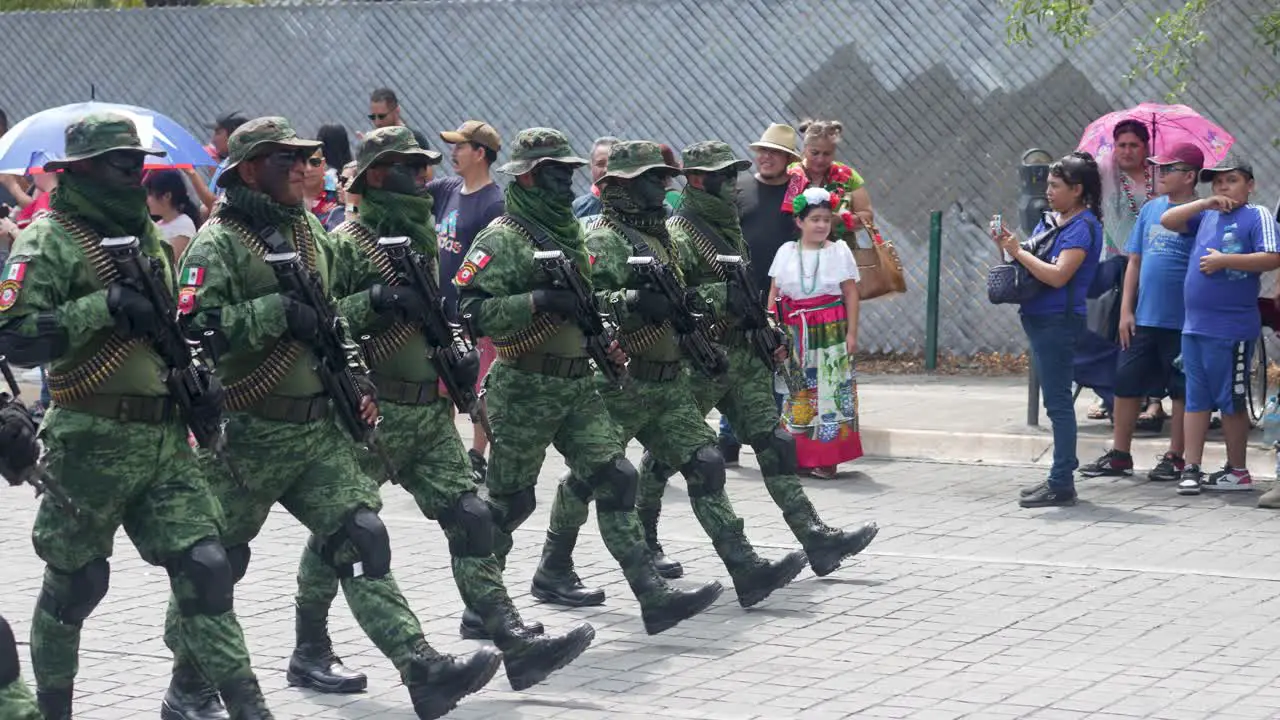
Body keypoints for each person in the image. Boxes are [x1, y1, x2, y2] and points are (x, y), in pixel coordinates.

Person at [171, 116, 501, 720]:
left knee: (362, 535)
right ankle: (188, 688)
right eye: (283, 160)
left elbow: (331, 319)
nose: (301, 167)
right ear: (247, 169)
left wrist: (355, 378)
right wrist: (273, 312)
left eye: (303, 158)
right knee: (217, 566)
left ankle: (420, 667)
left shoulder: (308, 235)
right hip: (248, 435)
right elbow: (192, 335)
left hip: (318, 430)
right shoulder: (217, 243)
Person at [289, 126, 594, 693]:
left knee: (473, 518)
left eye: (428, 166)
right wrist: (377, 300)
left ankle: (513, 639)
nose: (428, 176)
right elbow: (322, 321)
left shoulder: (420, 238)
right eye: (414, 167)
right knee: (346, 532)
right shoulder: (348, 242)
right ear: (379, 174)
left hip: (428, 416)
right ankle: (310, 645)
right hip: (372, 416)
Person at [0, 112, 273, 719]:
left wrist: (195, 383)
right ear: (81, 169)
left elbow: (171, 324)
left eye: (137, 163)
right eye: (121, 163)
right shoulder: (47, 240)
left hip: (164, 440)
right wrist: (101, 306)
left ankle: (247, 708)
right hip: (89, 440)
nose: (134, 174)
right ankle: (52, 708)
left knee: (208, 567)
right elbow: (16, 338)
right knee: (76, 587)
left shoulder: (145, 235)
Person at [455, 127, 723, 635]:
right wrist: (534, 302)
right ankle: (481, 606)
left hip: (578, 384)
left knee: (617, 477)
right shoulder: (503, 237)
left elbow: (590, 302)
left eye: (571, 173)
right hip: (525, 387)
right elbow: (469, 310)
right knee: (510, 502)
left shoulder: (571, 235)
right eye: (556, 174)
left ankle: (652, 596)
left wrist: (619, 313)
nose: (568, 183)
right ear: (529, 177)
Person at [533, 139, 807, 607]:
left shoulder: (662, 237)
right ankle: (553, 567)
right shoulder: (599, 238)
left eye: (665, 177)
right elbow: (587, 307)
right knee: (588, 475)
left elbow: (686, 301)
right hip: (621, 381)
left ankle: (745, 568)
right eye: (653, 179)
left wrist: (719, 304)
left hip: (667, 378)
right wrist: (635, 302)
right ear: (620, 186)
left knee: (705, 463)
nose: (664, 186)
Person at [641, 140, 879, 578]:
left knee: (775, 443)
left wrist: (764, 329)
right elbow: (669, 298)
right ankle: (644, 539)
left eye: (735, 175)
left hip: (743, 354)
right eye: (723, 177)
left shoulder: (727, 227)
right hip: (702, 360)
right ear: (697, 180)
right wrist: (720, 297)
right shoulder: (679, 233)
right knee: (666, 451)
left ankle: (815, 537)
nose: (735, 185)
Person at [1078, 143, 1203, 483]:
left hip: (1183, 320)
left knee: (1181, 389)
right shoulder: (1150, 210)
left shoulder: (1202, 214)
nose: (1159, 174)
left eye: (1168, 169)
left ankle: (1176, 456)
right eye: (1158, 169)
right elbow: (1134, 260)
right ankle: (1120, 454)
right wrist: (1126, 311)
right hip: (1144, 317)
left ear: (1190, 177)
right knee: (1126, 382)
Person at [1159, 153, 1280, 498]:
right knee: (1196, 397)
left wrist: (1226, 260)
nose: (1224, 186)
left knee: (1231, 399)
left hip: (1231, 328)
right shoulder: (1208, 215)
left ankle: (1237, 470)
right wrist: (1206, 202)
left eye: (1232, 180)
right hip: (1195, 326)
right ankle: (1192, 467)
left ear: (1250, 185)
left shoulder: (1257, 216)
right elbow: (1168, 220)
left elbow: (1273, 256)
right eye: (1218, 181)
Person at [996, 151, 1104, 508]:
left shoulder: (1083, 227)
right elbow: (1031, 257)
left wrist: (1018, 251)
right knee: (1054, 400)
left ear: (1078, 190)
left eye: (1056, 186)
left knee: (1058, 404)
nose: (1049, 192)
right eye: (1048, 185)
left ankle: (1061, 481)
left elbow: (1058, 275)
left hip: (1059, 320)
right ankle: (1060, 476)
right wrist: (1009, 247)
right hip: (1040, 317)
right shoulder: (1053, 220)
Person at [719, 123, 802, 465]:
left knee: (774, 364)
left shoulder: (797, 196)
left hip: (780, 296)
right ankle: (728, 437)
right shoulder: (738, 187)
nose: (767, 158)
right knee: (733, 366)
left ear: (787, 159)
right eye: (763, 152)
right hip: (740, 290)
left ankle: (770, 435)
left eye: (776, 153)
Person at [768, 187, 863, 479]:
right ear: (800, 222)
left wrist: (851, 335)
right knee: (798, 391)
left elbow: (851, 294)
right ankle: (797, 456)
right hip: (795, 330)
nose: (821, 225)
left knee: (830, 391)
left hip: (830, 329)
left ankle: (827, 459)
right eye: (815, 219)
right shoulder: (785, 251)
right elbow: (773, 295)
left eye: (826, 219)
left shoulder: (838, 251)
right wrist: (771, 332)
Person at [430, 120, 506, 482]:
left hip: (473, 314)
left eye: (461, 146)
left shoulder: (494, 204)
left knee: (477, 388)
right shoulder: (447, 190)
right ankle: (445, 454)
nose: (453, 152)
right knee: (442, 386)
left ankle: (477, 453)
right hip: (442, 310)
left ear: (480, 153)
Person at [144, 169, 202, 259]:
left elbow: (171, 263)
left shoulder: (183, 225)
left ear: (167, 196)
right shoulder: (157, 224)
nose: (147, 199)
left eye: (150, 194)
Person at [571, 136, 617, 219]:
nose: (606, 169)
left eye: (613, 163)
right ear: (591, 166)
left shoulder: (641, 205)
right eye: (600, 164)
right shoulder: (578, 209)